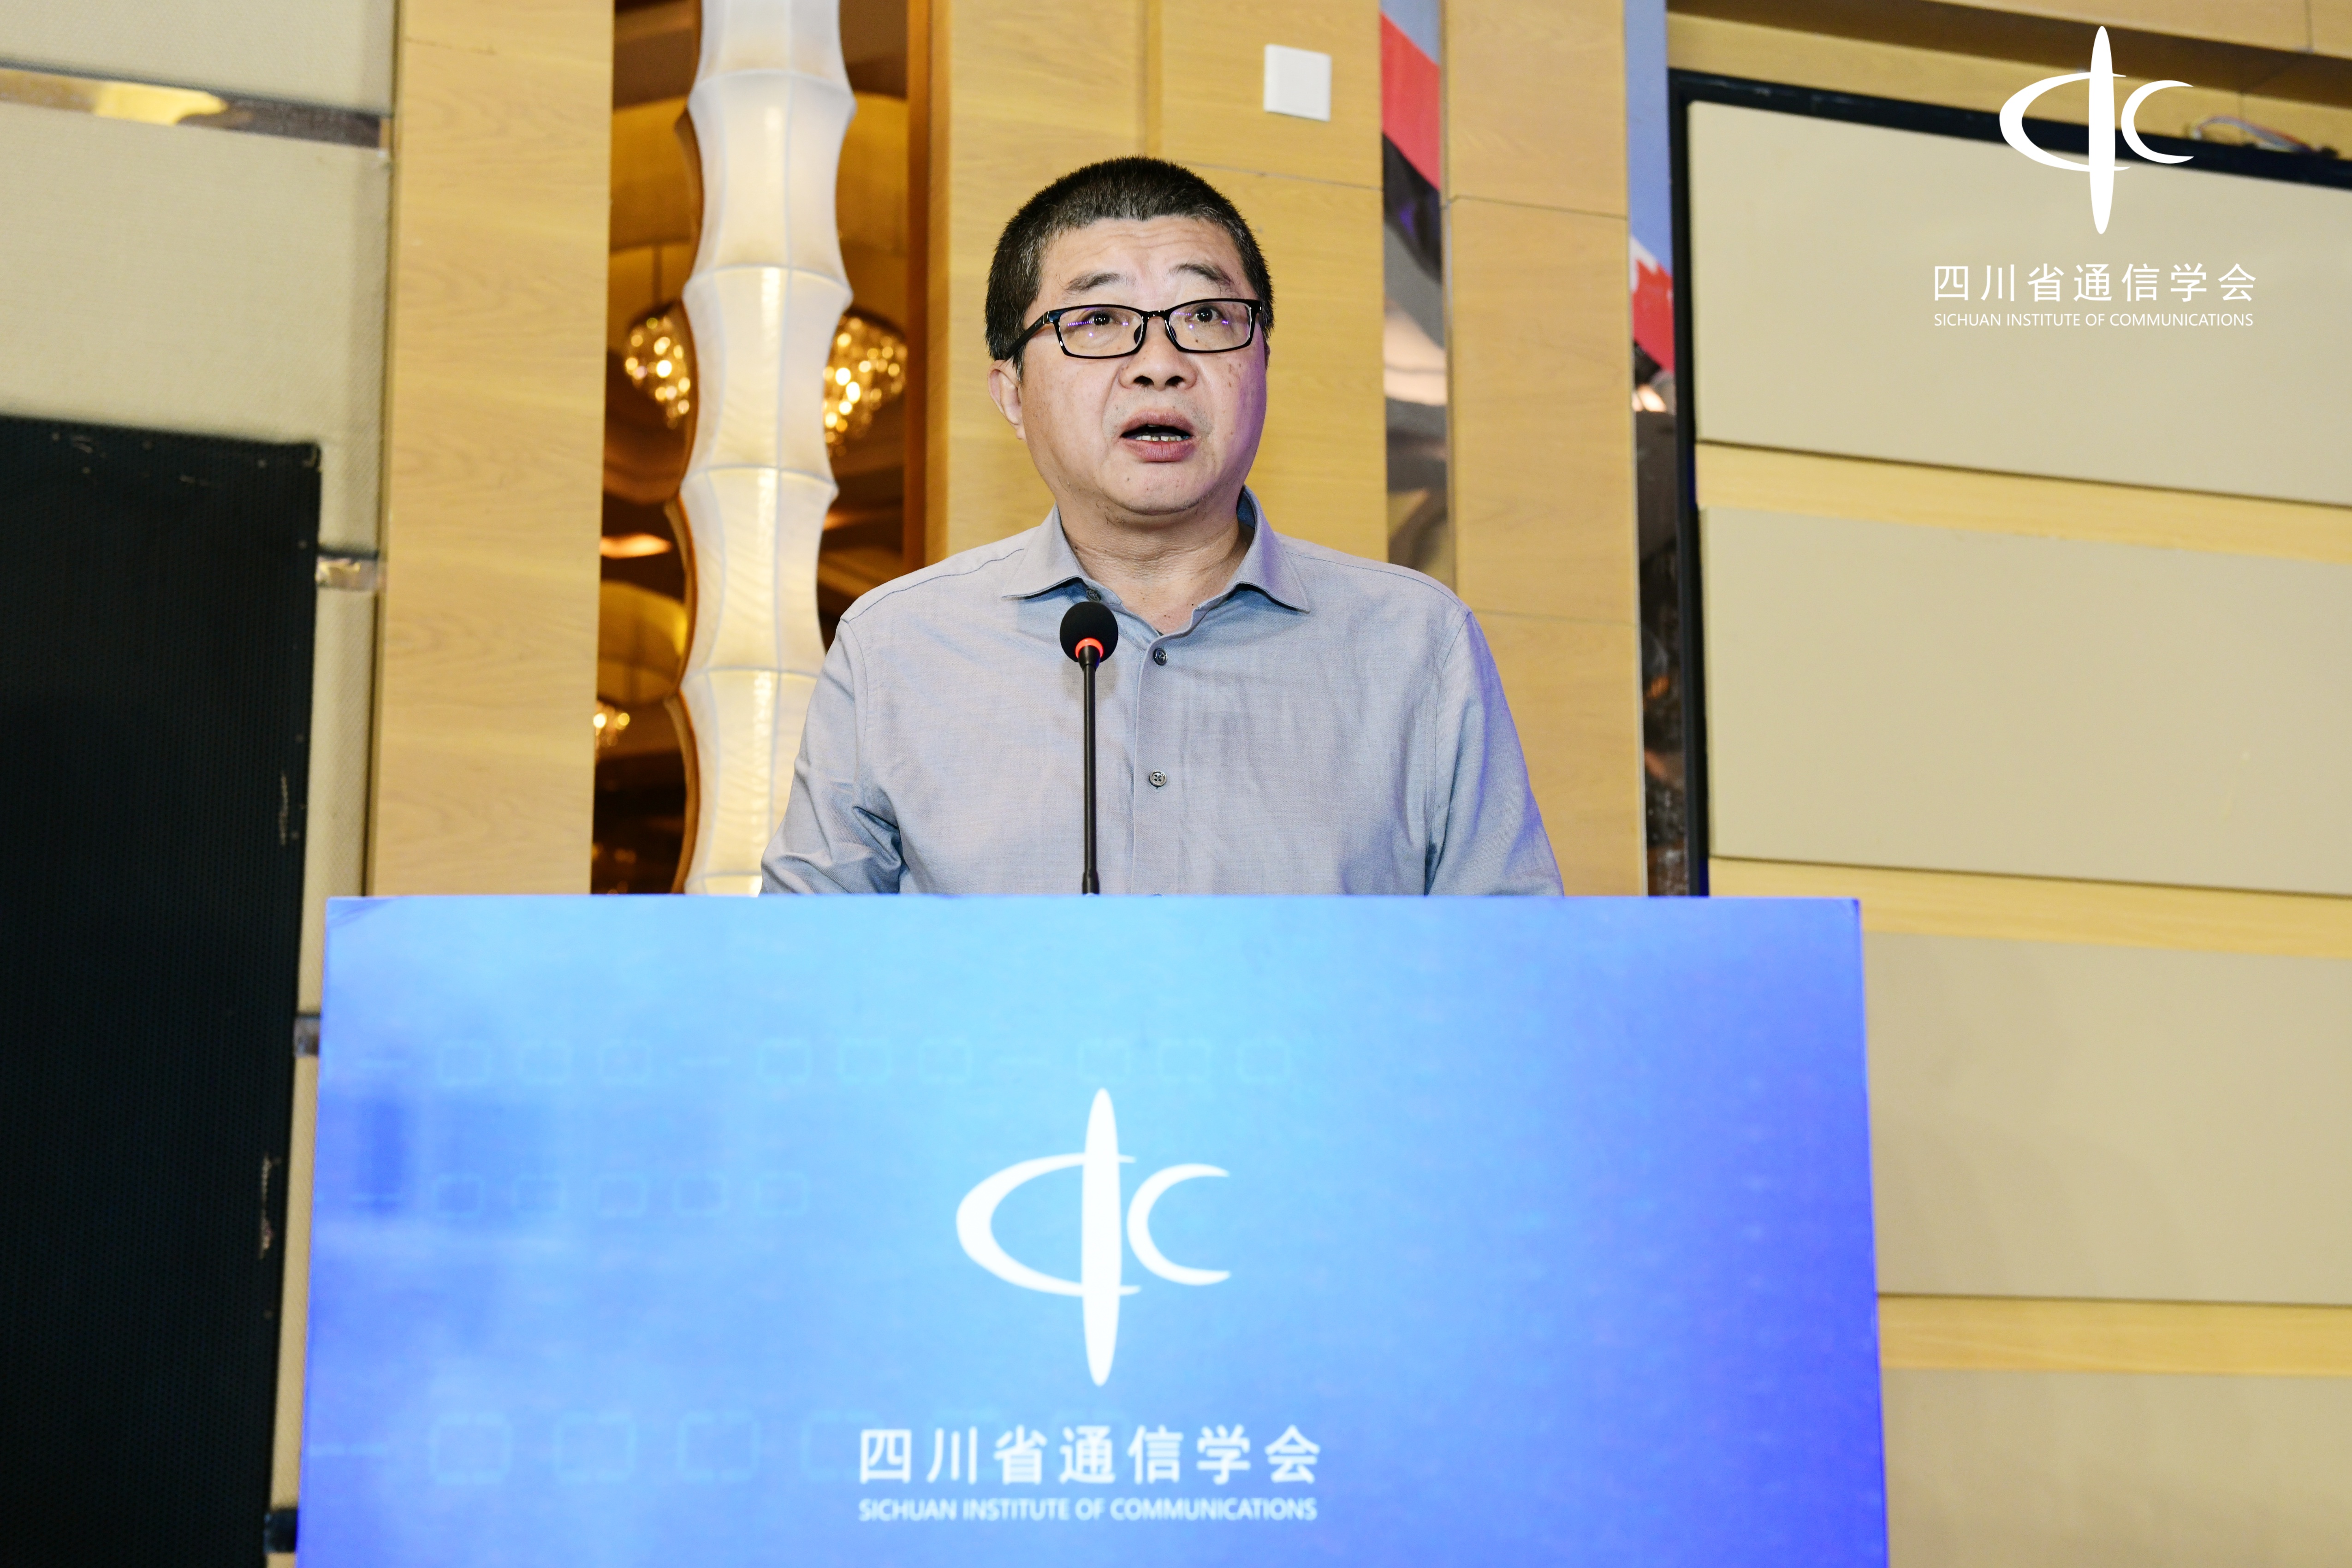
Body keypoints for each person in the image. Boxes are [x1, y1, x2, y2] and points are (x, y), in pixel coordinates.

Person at [760, 156, 1559, 895]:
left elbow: (1513, 971)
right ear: (1011, 394)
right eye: (1098, 320)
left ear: (1262, 366)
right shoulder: (895, 648)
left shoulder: (1418, 647)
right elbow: (799, 969)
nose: (1159, 363)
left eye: (1206, 314)